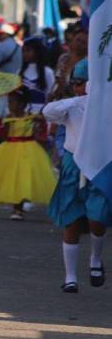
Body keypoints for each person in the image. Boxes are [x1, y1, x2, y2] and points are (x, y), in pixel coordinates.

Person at [43, 60, 110, 292]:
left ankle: (95, 258)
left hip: (99, 164)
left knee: (97, 218)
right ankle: (70, 277)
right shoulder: (71, 106)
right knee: (71, 220)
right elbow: (48, 112)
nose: (78, 87)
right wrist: (78, 100)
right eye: (76, 83)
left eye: (82, 83)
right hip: (73, 165)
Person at [0, 87, 57, 220]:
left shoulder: (31, 117)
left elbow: (41, 129)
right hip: (10, 148)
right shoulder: (8, 118)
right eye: (9, 102)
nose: (10, 105)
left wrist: (39, 124)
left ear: (22, 103)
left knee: (24, 176)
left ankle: (20, 206)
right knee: (12, 177)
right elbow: (5, 136)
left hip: (29, 149)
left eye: (12, 102)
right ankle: (16, 206)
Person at [19, 37, 55, 113]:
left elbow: (51, 95)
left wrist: (42, 113)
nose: (25, 54)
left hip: (42, 114)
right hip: (24, 114)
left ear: (38, 51)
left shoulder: (47, 72)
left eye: (28, 50)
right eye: (23, 51)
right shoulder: (20, 72)